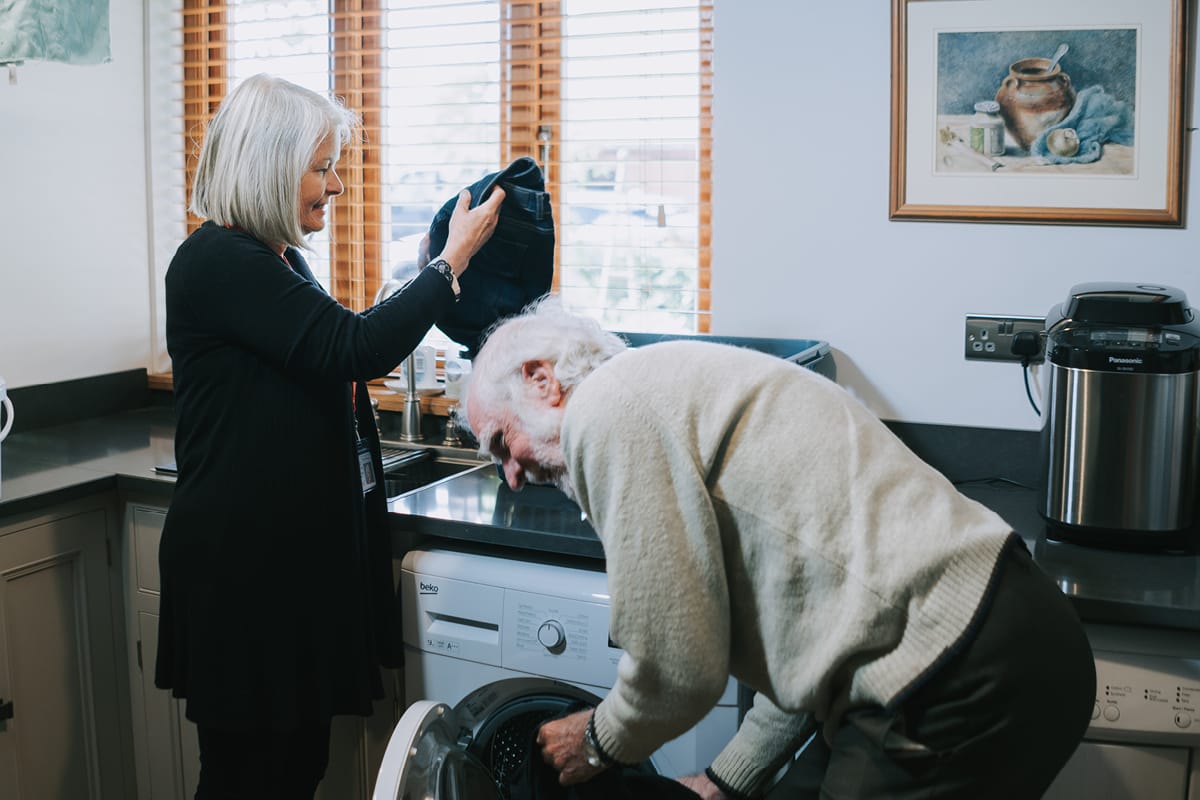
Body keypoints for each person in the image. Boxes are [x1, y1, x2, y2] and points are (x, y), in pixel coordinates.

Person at [463, 298, 1097, 800]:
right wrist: (725, 780)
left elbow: (679, 668)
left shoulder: (606, 412)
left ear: (541, 378)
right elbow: (809, 631)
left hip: (952, 669)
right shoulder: (657, 389)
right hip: (999, 638)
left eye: (499, 444)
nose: (510, 475)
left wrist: (599, 740)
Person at [154, 73, 504, 799]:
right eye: (322, 166)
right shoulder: (219, 262)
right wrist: (451, 263)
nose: (337, 185)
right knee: (248, 780)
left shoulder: (279, 261)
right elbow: (354, 348)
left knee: (295, 770)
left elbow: (334, 347)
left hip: (282, 567)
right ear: (271, 167)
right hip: (241, 574)